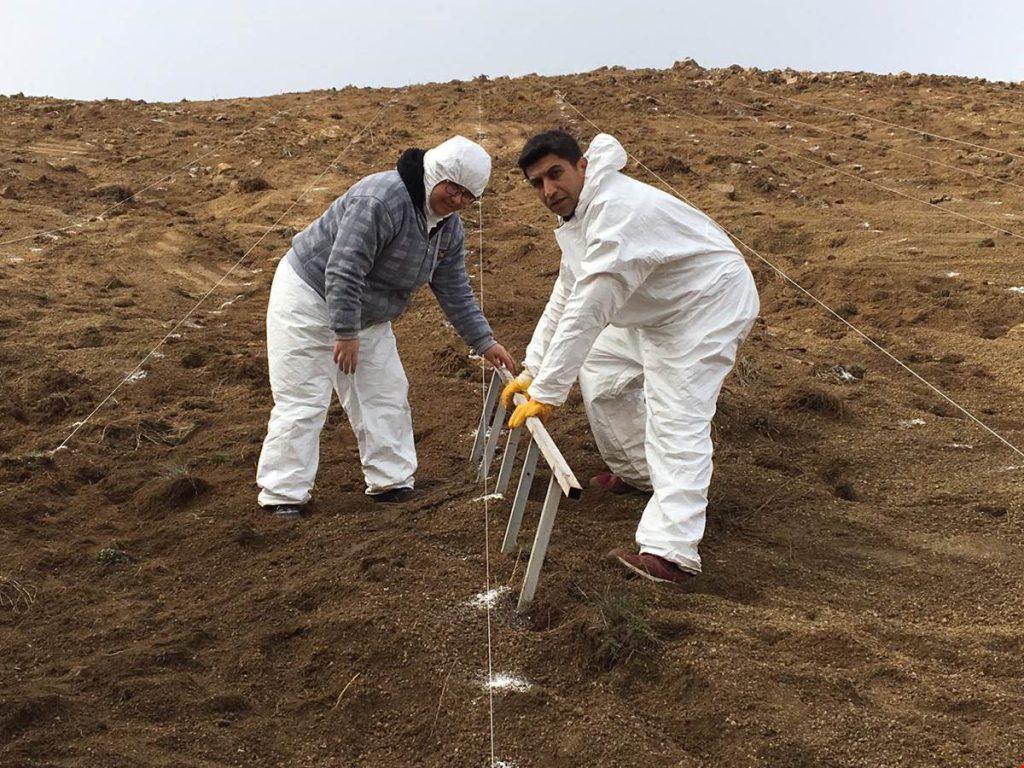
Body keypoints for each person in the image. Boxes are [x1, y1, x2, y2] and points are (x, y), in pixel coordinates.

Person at [503, 130, 759, 584]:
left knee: (676, 416)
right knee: (601, 372)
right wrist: (534, 368)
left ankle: (672, 552)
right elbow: (568, 289)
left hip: (704, 304)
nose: (549, 191)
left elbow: (593, 303)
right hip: (654, 307)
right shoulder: (578, 217)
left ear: (582, 166)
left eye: (556, 174)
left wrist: (547, 390)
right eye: (537, 183)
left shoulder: (618, 210)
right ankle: (639, 473)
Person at [257, 135, 516, 518]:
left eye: (468, 196)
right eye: (453, 189)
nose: (457, 200)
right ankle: (283, 493)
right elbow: (344, 268)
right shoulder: (380, 198)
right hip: (308, 298)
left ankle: (392, 482)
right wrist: (345, 333)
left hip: (369, 313)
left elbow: (454, 287)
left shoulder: (448, 227)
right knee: (304, 398)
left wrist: (484, 341)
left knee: (384, 392)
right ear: (435, 174)